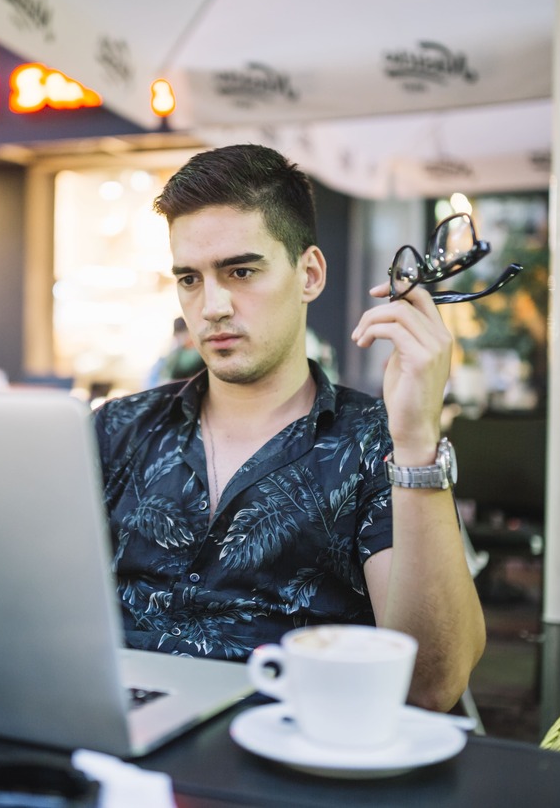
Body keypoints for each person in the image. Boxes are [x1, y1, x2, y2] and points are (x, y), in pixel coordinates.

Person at [94, 144, 485, 711]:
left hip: (284, 755)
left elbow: (432, 685)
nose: (212, 307)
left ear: (309, 274)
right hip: (113, 744)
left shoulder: (374, 441)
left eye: (241, 271)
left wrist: (417, 441)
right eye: (190, 279)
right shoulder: (118, 428)